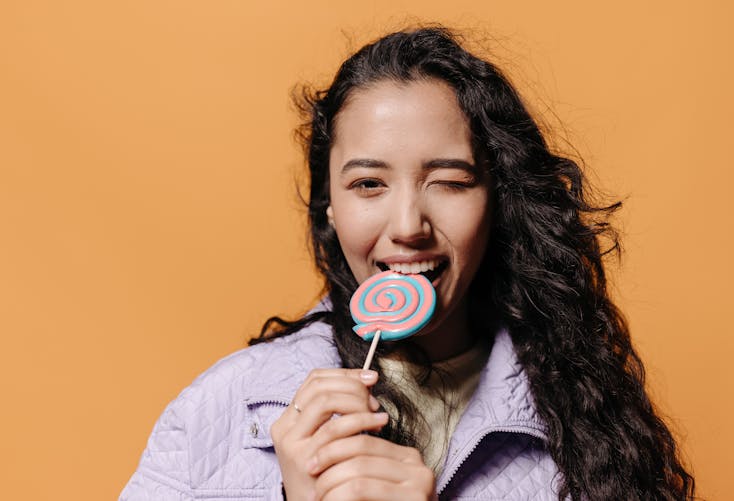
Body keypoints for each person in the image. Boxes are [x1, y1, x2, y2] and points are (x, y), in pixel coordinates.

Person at [121, 26, 695, 500]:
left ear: (498, 201)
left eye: (448, 181)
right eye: (369, 183)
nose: (406, 226)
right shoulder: (221, 412)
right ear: (331, 207)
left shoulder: (586, 424)